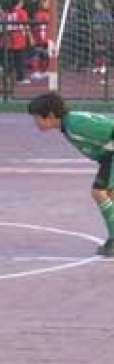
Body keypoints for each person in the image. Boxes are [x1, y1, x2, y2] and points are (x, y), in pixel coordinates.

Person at [28, 92, 114, 257]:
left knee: (99, 192)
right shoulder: (69, 124)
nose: (36, 122)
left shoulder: (75, 123)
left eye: (37, 118)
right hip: (108, 157)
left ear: (51, 115)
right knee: (109, 193)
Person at [4, 0, 32, 84]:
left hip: (8, 37)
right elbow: (26, 25)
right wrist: (31, 37)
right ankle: (20, 78)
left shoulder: (7, 12)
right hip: (18, 37)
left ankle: (7, 77)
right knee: (19, 59)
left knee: (9, 59)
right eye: (22, 1)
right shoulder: (21, 12)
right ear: (19, 2)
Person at [30, 0, 51, 81]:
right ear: (41, 3)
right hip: (40, 39)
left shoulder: (48, 14)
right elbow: (37, 27)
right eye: (46, 2)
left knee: (46, 55)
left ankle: (44, 71)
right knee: (37, 54)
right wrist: (38, 38)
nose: (48, 4)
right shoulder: (38, 14)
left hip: (47, 39)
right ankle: (35, 72)